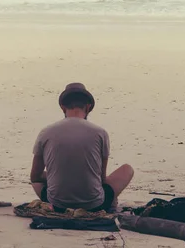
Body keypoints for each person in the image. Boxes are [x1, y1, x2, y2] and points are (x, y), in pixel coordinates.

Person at [30, 82, 134, 212]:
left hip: (57, 204)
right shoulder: (100, 133)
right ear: (88, 107)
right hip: (94, 204)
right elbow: (101, 178)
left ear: (63, 107)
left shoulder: (46, 132)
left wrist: (55, 174)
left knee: (37, 183)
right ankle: (111, 204)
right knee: (127, 169)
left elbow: (34, 177)